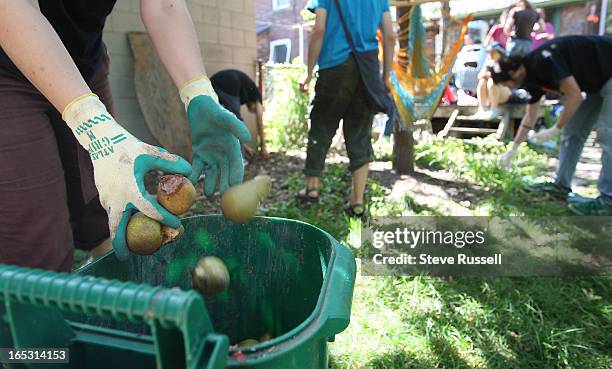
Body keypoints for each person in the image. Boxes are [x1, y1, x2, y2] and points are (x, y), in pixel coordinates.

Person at [0, 1, 250, 271]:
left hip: (84, 63)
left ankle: (111, 296)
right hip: (6, 68)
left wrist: (198, 92)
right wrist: (92, 121)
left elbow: (165, 5)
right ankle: (41, 307)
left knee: (110, 207)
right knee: (36, 239)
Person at [298, 0, 395, 218]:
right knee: (360, 135)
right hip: (365, 71)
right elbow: (389, 36)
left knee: (321, 129)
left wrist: (308, 71)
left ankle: (312, 190)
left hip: (334, 68)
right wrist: (386, 76)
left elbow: (319, 29)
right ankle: (357, 201)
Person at [495, 36, 612, 215]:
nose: (510, 88)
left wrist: (555, 128)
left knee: (607, 134)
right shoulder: (529, 78)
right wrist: (513, 148)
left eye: (507, 84)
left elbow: (574, 96)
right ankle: (561, 186)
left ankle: (608, 200)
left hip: (608, 74)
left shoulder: (542, 59)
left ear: (514, 73)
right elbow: (530, 116)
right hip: (596, 83)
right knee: (573, 131)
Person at [210, 69, 269, 160]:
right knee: (237, 122)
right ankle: (240, 160)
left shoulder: (248, 90)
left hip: (212, 84)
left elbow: (228, 124)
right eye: (253, 109)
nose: (251, 109)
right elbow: (260, 123)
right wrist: (263, 147)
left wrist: (245, 147)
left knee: (223, 121)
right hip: (229, 83)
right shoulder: (257, 97)